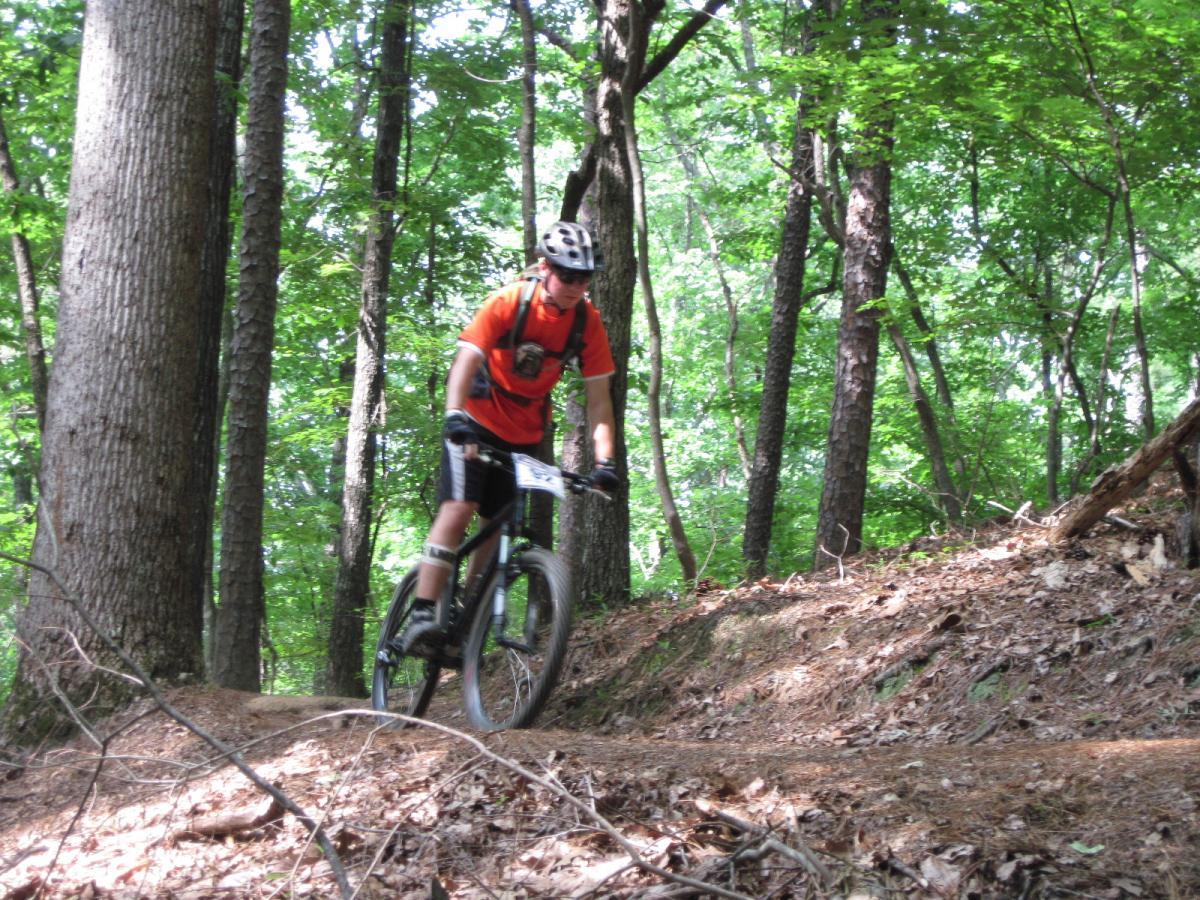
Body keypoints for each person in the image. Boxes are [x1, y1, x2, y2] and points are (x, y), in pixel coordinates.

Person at [403, 221, 620, 652]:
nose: (577, 285)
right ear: (545, 268)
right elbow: (465, 362)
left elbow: (600, 401)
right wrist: (454, 415)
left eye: (586, 277)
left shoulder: (586, 323)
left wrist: (604, 463)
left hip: (524, 434)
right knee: (460, 507)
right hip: (474, 421)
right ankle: (423, 611)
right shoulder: (508, 302)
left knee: (499, 523)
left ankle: (462, 611)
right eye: (568, 275)